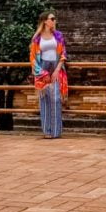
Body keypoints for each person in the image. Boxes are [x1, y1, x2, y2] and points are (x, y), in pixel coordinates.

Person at [30, 11, 68, 139]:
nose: (54, 20)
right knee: (44, 99)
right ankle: (47, 131)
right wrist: (42, 73)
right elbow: (33, 58)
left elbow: (63, 53)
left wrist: (57, 69)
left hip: (56, 67)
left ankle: (56, 131)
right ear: (45, 21)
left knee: (56, 98)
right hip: (42, 68)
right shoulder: (37, 38)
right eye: (52, 18)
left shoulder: (58, 36)